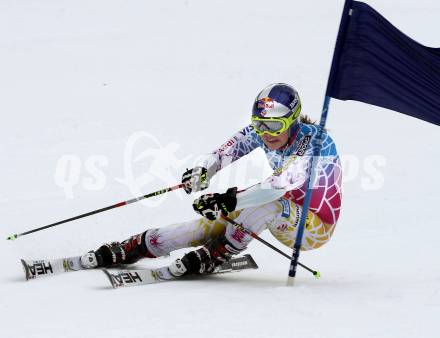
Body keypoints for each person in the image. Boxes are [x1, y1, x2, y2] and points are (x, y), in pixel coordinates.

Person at [80, 83, 342, 278]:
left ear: (292, 121)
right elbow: (223, 154)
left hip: (314, 226)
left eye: (274, 126)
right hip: (281, 207)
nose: (266, 134)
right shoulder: (263, 131)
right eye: (260, 125)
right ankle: (142, 245)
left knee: (264, 204)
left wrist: (228, 199)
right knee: (210, 223)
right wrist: (202, 171)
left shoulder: (315, 143)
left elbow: (276, 186)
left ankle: (219, 253)